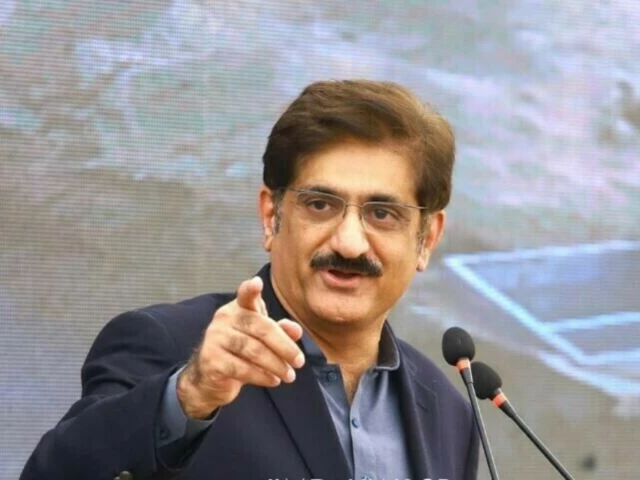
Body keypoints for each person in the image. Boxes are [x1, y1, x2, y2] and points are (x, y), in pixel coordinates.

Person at [21, 80, 479, 480]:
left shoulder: (450, 414)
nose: (349, 243)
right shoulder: (171, 349)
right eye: (320, 205)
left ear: (426, 239)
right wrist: (188, 396)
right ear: (270, 216)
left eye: (382, 213)